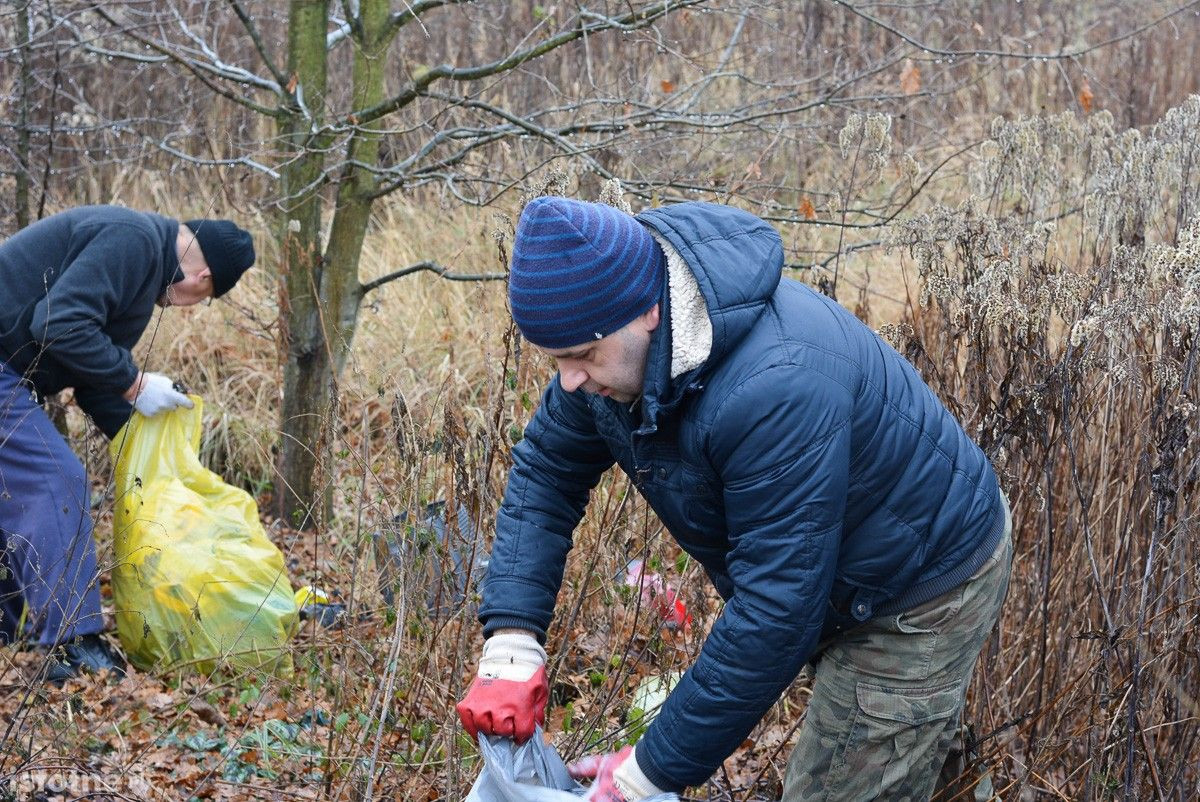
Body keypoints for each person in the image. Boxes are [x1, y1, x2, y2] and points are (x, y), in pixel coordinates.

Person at [456, 197, 1012, 801]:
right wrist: (511, 640)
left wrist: (645, 775)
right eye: (556, 359)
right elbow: (546, 475)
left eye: (582, 357)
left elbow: (777, 608)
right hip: (837, 565)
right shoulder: (608, 346)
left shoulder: (774, 384)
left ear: (646, 312)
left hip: (921, 586)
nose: (568, 380)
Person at [0, 205, 255, 682]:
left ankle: (7, 624)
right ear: (202, 278)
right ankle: (72, 644)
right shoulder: (133, 241)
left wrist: (154, 444)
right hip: (4, 367)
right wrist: (135, 382)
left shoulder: (143, 268)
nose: (192, 306)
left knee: (17, 490)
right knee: (56, 482)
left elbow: (92, 377)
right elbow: (57, 326)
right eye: (205, 298)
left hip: (10, 372)